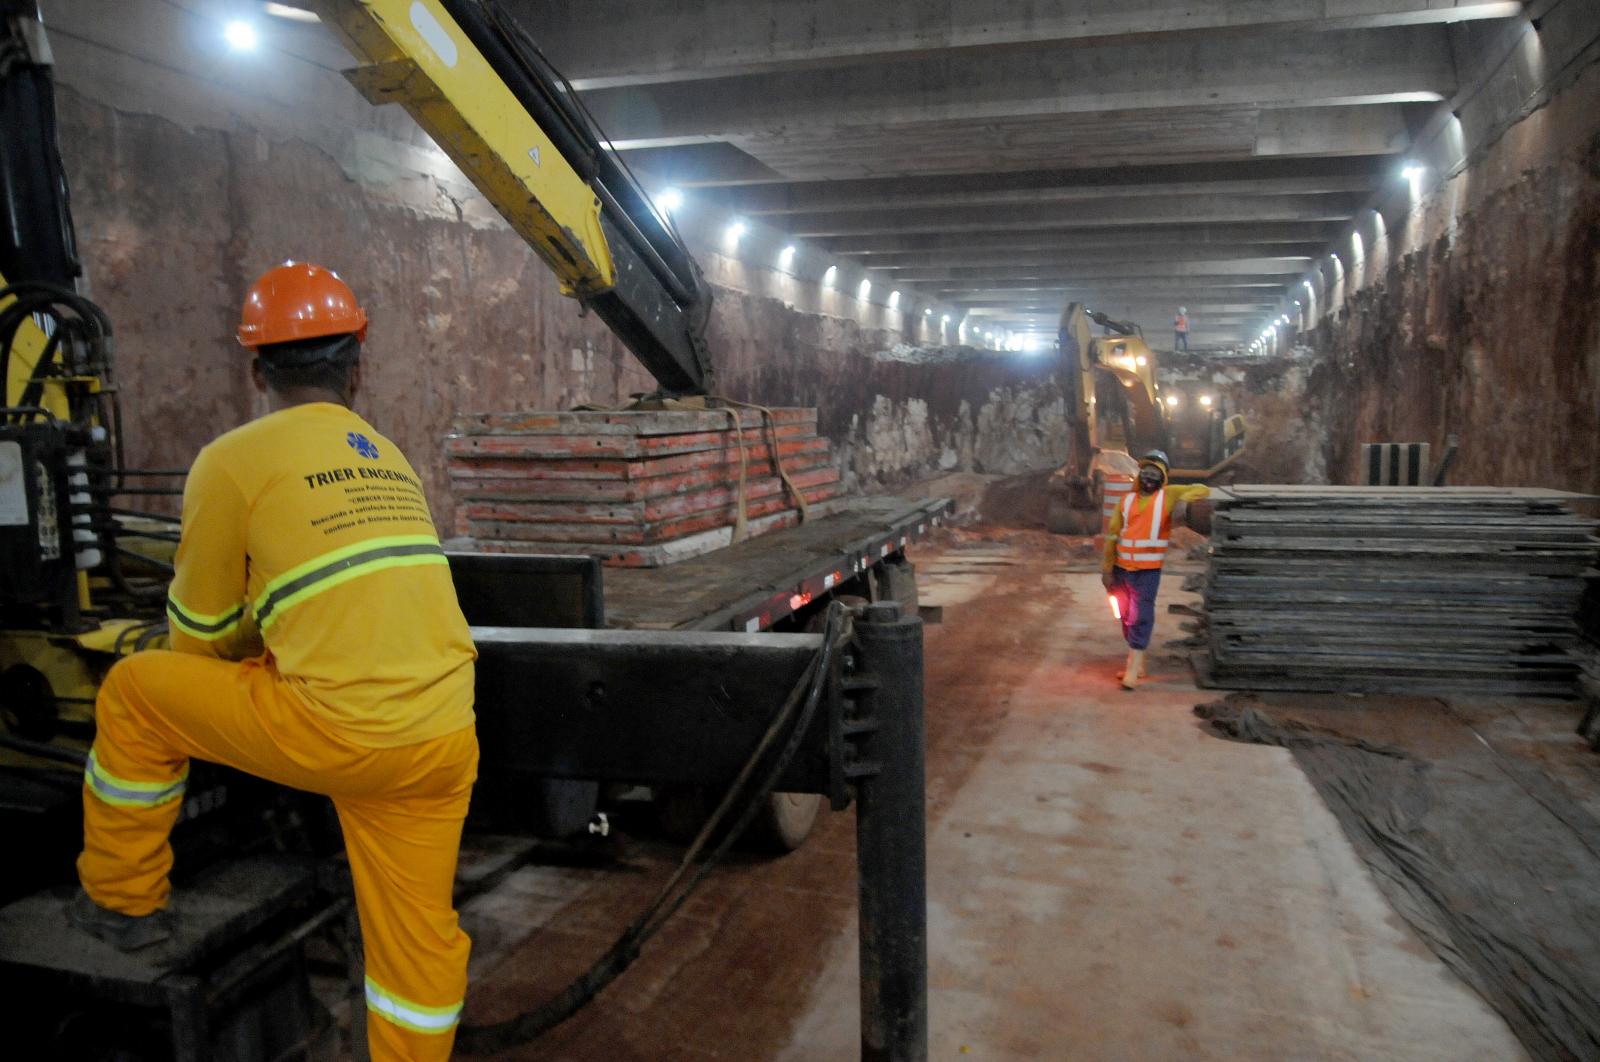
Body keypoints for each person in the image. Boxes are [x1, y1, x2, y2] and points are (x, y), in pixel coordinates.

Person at [70, 262, 479, 1062]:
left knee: (134, 692)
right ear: (357, 360)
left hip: (337, 732)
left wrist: (241, 649)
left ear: (256, 369)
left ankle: (123, 899)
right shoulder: (387, 456)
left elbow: (202, 632)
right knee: (417, 939)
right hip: (441, 731)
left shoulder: (231, 460)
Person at [1100, 449, 1209, 690]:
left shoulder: (1167, 496)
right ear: (1140, 475)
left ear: (1162, 478)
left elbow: (1203, 489)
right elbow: (1112, 536)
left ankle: (1133, 669)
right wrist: (1107, 568)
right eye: (1146, 473)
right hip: (1121, 569)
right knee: (1126, 616)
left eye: (1155, 474)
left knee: (1141, 615)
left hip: (1147, 571)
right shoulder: (1126, 501)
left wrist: (1185, 497)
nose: (1149, 478)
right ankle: (1138, 664)